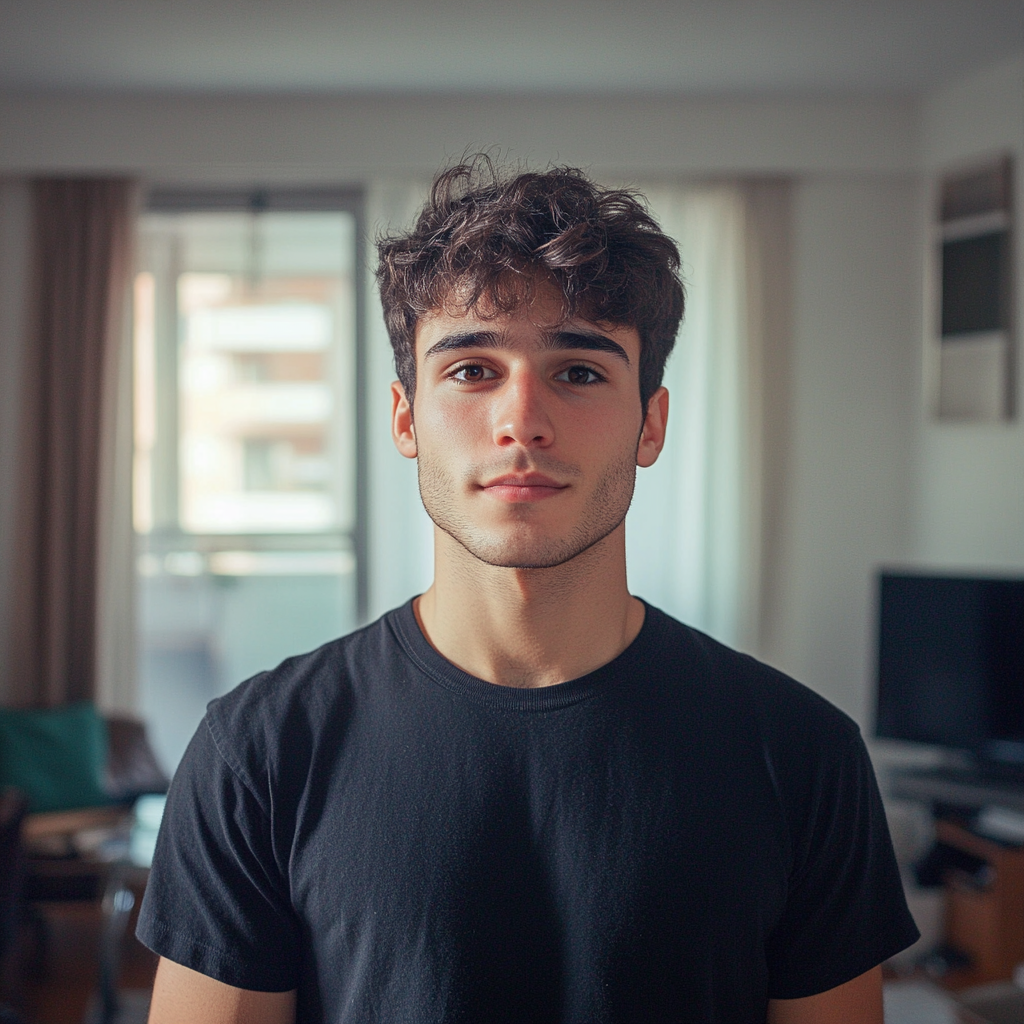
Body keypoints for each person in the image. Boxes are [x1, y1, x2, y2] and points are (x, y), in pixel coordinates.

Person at [139, 159, 918, 1024]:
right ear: (405, 418)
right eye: (472, 370)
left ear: (650, 424)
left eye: (579, 372)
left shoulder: (804, 756)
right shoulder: (258, 752)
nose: (522, 420)